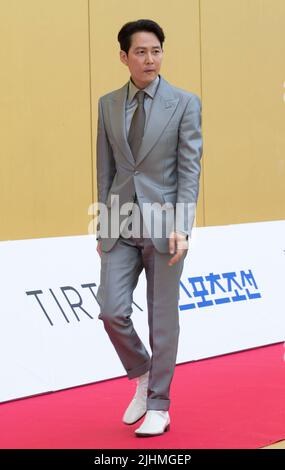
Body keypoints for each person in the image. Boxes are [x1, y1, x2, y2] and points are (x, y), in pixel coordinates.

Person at [95, 19, 202, 437]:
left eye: (156, 50)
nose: (150, 59)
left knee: (162, 318)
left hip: (164, 227)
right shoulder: (107, 104)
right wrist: (103, 227)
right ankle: (140, 372)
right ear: (124, 57)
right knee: (111, 310)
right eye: (140, 52)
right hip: (120, 222)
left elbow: (189, 170)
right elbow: (105, 170)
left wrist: (182, 226)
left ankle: (159, 402)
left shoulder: (185, 103)